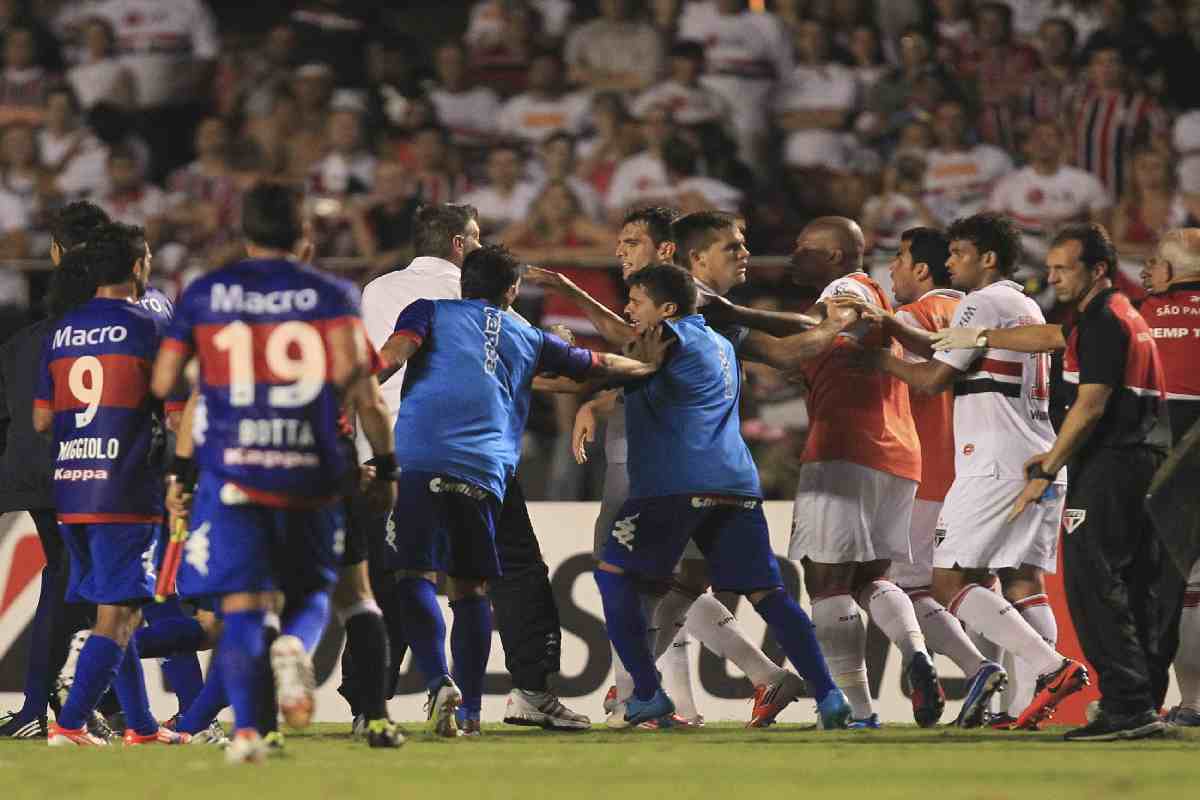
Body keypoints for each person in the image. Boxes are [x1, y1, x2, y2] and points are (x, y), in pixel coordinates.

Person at [532, 209, 861, 728]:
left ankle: (644, 693)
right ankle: (829, 696)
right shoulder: (722, 336)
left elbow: (603, 368)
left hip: (671, 487)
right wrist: (835, 325)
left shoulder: (663, 341)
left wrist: (526, 368)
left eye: (636, 305)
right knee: (767, 595)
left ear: (664, 306)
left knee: (616, 577)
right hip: (735, 484)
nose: (630, 312)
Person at [149, 183, 399, 764]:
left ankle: (248, 733)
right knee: (323, 591)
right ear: (305, 236)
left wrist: (182, 468)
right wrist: (385, 466)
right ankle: (297, 648)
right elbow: (365, 392)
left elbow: (166, 386)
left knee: (241, 605)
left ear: (244, 233)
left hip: (233, 471)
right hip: (314, 469)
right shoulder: (332, 295)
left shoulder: (208, 293)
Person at [375, 244, 662, 736]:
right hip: (485, 472)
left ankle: (439, 681)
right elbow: (596, 365)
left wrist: (352, 391)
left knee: (414, 577)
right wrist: (650, 367)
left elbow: (392, 355)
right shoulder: (528, 335)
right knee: (471, 591)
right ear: (512, 290)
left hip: (420, 460)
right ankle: (469, 715)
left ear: (464, 282)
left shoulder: (427, 311)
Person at [356, 203, 590, 731]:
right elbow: (522, 361)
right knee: (507, 575)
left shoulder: (375, 291)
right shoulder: (481, 302)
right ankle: (526, 693)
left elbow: (382, 361)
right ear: (460, 245)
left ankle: (368, 705)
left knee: (390, 579)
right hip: (476, 455)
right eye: (477, 238)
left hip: (389, 451)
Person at [864, 212, 1088, 730]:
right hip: (1038, 455)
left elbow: (935, 377)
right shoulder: (1021, 301)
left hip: (992, 462)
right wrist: (897, 331)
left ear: (987, 258)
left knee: (947, 580)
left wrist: (879, 362)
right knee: (1021, 580)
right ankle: (1025, 708)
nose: (949, 261)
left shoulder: (980, 303)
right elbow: (951, 351)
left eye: (958, 252)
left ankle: (1052, 668)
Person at [781, 215, 941, 729]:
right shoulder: (877, 295)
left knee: (826, 580)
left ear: (832, 256)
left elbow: (844, 324)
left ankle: (858, 710)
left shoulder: (844, 288)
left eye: (802, 246)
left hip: (846, 449)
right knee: (873, 575)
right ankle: (915, 651)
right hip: (896, 451)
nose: (791, 254)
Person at [34, 222, 187, 747]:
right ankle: (71, 723)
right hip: (125, 486)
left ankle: (141, 726)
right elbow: (176, 412)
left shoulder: (62, 329)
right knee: (121, 614)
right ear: (139, 264)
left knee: (115, 610)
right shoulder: (149, 327)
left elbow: (40, 419)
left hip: (72, 487)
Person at [882, 228, 996, 694]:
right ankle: (1007, 700)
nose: (892, 268)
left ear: (921, 270)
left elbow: (894, 383)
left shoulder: (910, 316)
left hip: (926, 474)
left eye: (899, 258)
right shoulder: (979, 314)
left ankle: (976, 672)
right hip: (981, 473)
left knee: (909, 588)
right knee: (983, 588)